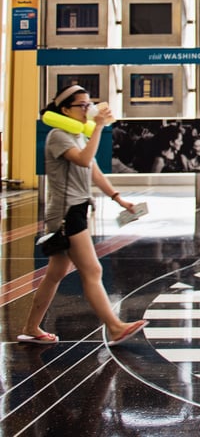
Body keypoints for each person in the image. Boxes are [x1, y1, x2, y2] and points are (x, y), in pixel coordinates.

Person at [19, 85, 148, 347]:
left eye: (89, 104)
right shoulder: (58, 136)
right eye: (82, 105)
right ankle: (114, 327)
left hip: (77, 209)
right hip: (66, 214)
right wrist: (98, 127)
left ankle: (31, 328)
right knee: (92, 269)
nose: (88, 109)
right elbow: (82, 160)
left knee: (55, 273)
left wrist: (118, 198)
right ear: (65, 110)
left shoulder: (78, 134)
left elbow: (93, 171)